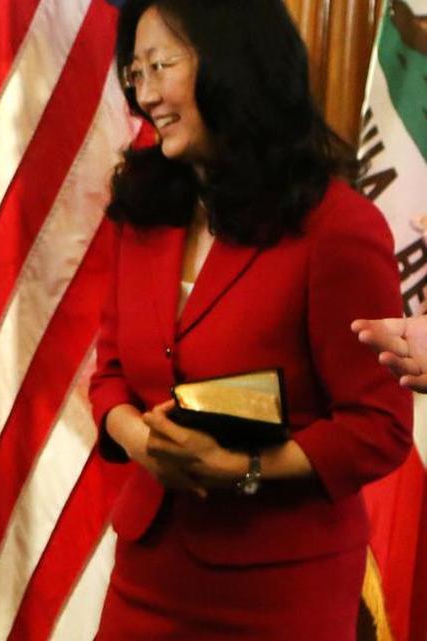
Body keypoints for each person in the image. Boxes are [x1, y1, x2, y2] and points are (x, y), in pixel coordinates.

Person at [88, 0, 413, 638]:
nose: (145, 94)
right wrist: (142, 444)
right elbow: (110, 375)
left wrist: (243, 468)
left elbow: (378, 427)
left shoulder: (338, 228)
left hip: (281, 589)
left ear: (234, 64)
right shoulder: (146, 210)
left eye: (161, 66)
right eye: (135, 73)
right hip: (148, 576)